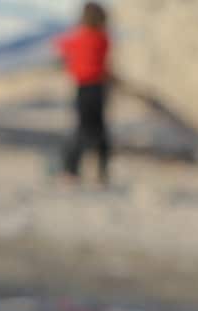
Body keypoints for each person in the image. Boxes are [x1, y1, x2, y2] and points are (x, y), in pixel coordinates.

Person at [56, 2, 112, 186]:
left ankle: (71, 170)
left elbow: (62, 47)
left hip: (85, 88)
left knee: (82, 130)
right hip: (99, 88)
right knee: (100, 130)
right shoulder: (103, 39)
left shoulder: (81, 38)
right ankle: (102, 172)